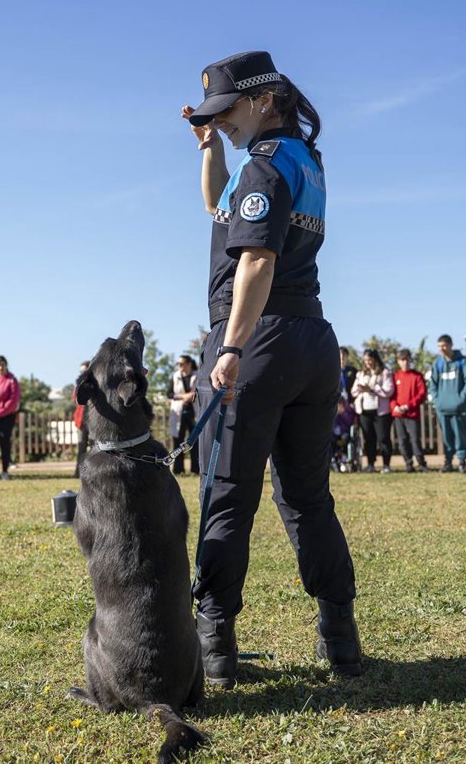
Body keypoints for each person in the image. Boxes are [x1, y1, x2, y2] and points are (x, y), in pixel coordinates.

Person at [182, 50, 362, 686]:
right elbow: (218, 207)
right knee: (308, 498)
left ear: (263, 100)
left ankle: (214, 649)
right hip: (312, 339)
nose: (220, 121)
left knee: (227, 494)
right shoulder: (301, 159)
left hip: (257, 338)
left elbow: (256, 259)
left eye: (226, 110)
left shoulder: (262, 164)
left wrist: (231, 347)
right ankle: (341, 640)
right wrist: (211, 147)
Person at [429, 334, 466, 473]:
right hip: (442, 407)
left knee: (460, 436)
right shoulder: (437, 363)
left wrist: (461, 399)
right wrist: (437, 400)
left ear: (450, 345)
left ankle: (462, 462)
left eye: (444, 346)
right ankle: (448, 462)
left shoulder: (462, 362)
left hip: (458, 408)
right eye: (439, 346)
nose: (441, 349)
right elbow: (432, 384)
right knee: (446, 437)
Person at [352, 349, 394, 473]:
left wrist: (372, 389)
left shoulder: (385, 373)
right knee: (368, 438)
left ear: (375, 359)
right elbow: (353, 391)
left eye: (370, 360)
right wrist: (361, 389)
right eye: (365, 360)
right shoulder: (361, 374)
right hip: (365, 411)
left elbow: (389, 391)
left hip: (381, 411)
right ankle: (371, 464)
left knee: (383, 438)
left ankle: (386, 465)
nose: (367, 362)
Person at [391, 349, 429, 472]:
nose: (405, 362)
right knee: (402, 441)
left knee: (415, 439)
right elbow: (391, 394)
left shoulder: (417, 376)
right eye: (402, 360)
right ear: (398, 361)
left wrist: (408, 406)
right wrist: (395, 406)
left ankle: (421, 464)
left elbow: (421, 393)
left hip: (412, 414)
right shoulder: (395, 376)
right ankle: (408, 464)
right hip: (399, 415)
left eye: (407, 360)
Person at [168, 355, 201, 475]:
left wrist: (193, 396)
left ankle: (196, 470)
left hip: (194, 413)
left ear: (189, 364)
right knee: (177, 441)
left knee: (196, 441)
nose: (179, 366)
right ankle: (178, 470)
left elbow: (201, 392)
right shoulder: (175, 376)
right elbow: (169, 394)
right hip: (178, 413)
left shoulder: (199, 375)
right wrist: (184, 396)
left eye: (181, 364)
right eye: (178, 364)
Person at [73, 360, 91, 478]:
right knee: (81, 447)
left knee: (95, 446)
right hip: (81, 420)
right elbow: (75, 400)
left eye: (84, 371)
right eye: (81, 371)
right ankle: (78, 472)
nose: (82, 373)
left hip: (93, 421)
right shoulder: (77, 384)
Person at [332, 399, 356, 472]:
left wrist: (343, 413)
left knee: (344, 438)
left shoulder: (349, 411)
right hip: (334, 434)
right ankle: (334, 458)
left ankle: (343, 457)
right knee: (331, 440)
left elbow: (350, 422)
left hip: (344, 432)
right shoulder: (332, 411)